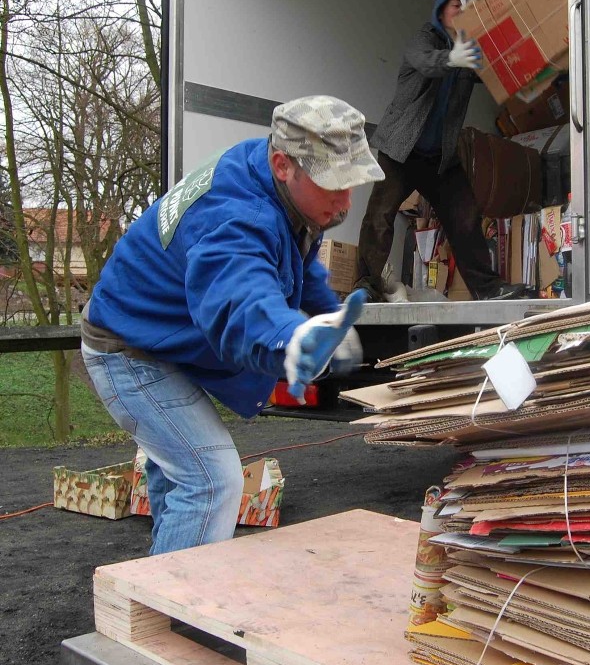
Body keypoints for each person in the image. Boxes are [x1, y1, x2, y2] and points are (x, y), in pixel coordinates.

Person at [81, 96, 383, 555]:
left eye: (352, 183)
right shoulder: (235, 214)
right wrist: (292, 336)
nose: (344, 203)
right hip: (129, 350)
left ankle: (158, 598)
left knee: (182, 478)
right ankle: (174, 616)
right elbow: (239, 297)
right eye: (333, 185)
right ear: (284, 165)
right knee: (210, 480)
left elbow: (293, 262)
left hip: (164, 337)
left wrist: (324, 311)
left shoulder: (282, 179)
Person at [355, 0, 525, 302]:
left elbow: (496, 71)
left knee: (465, 216)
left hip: (439, 157)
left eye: (469, 6)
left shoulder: (471, 49)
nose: (463, 11)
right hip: (401, 151)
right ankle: (366, 284)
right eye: (457, 5)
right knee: (379, 215)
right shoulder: (424, 39)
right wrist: (453, 58)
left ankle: (488, 289)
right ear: (440, 11)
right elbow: (427, 63)